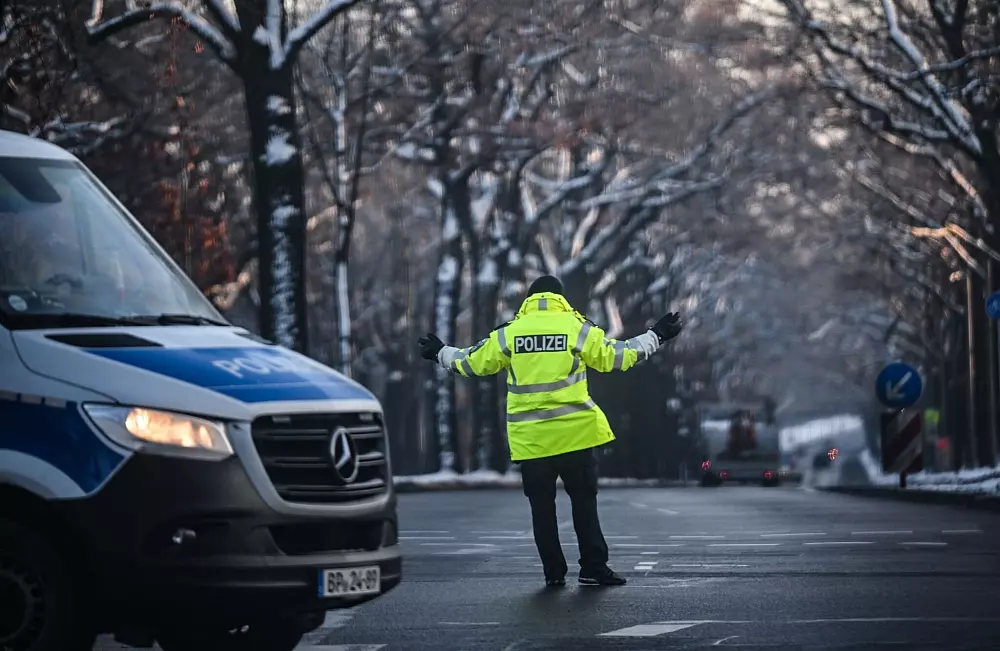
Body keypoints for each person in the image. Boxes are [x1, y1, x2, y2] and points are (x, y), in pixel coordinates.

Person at [418, 274, 683, 587]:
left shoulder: (510, 333)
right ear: (561, 298)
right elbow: (618, 356)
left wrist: (439, 352)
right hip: (576, 436)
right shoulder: (576, 328)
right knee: (584, 505)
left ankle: (553, 573)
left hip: (531, 441)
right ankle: (594, 568)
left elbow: (473, 362)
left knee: (542, 510)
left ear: (529, 300)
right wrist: (657, 335)